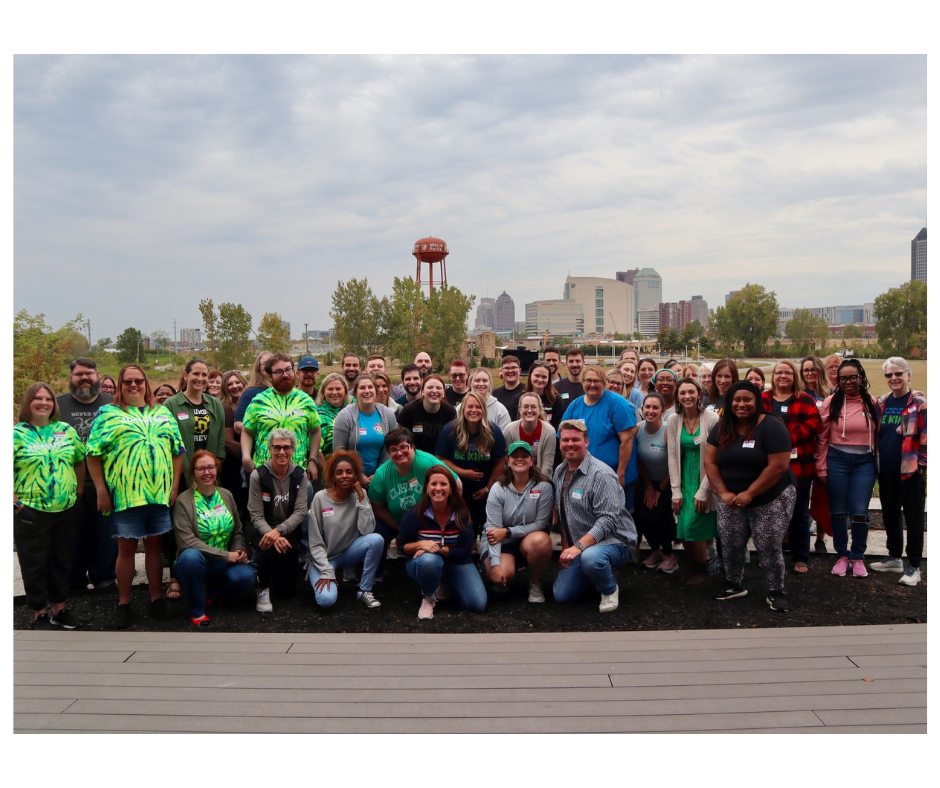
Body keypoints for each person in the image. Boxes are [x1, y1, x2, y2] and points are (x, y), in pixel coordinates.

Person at [85, 365, 185, 629]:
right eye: (127, 381)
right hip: (125, 495)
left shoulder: (162, 412)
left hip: (157, 494)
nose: (133, 385)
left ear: (146, 383)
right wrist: (101, 490)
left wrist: (174, 486)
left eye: (138, 380)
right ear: (120, 384)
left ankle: (155, 599)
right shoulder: (109, 413)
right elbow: (92, 454)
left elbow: (178, 450)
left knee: (154, 547)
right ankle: (124, 603)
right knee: (126, 550)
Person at [706, 381, 797, 611]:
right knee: (730, 542)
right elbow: (709, 462)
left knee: (768, 544)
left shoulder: (772, 426)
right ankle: (734, 584)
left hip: (771, 496)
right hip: (731, 498)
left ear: (757, 401)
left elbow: (778, 466)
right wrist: (723, 492)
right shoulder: (722, 426)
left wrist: (750, 493)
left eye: (747, 399)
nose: (741, 404)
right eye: (736, 400)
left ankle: (776, 590)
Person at [14, 383, 86, 629]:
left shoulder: (65, 430)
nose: (43, 402)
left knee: (62, 560)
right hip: (31, 510)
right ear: (28, 403)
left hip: (65, 509)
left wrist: (77, 493)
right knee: (34, 563)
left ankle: (60, 608)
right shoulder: (16, 434)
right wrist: (16, 504)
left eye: (48, 398)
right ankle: (39, 613)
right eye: (37, 398)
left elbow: (79, 461)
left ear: (54, 404)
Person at [552, 420, 638, 613]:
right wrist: (567, 548)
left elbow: (608, 520)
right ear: (560, 443)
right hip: (581, 546)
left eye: (576, 439)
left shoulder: (601, 475)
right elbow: (564, 513)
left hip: (614, 540)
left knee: (591, 559)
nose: (570, 444)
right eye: (565, 440)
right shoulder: (559, 471)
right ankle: (596, 573)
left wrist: (578, 547)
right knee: (562, 596)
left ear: (587, 442)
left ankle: (609, 588)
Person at [163, 358, 227, 602]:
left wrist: (214, 476)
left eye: (205, 375)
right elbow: (168, 443)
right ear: (186, 375)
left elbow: (219, 442)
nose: (201, 379)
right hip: (181, 475)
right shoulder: (172, 404)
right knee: (178, 528)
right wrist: (178, 482)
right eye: (196, 374)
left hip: (209, 475)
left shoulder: (215, 405)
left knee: (209, 524)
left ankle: (207, 574)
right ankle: (174, 578)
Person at [172, 451, 254, 627]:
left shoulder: (226, 495)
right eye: (200, 469)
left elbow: (237, 530)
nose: (207, 473)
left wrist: (238, 551)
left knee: (246, 576)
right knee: (191, 556)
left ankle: (213, 594)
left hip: (221, 564)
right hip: (194, 564)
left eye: (210, 467)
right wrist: (227, 556)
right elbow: (187, 541)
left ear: (217, 469)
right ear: (193, 472)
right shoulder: (183, 501)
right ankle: (197, 609)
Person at [815, 360, 881, 578]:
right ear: (838, 380)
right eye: (843, 378)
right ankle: (842, 555)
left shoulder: (871, 402)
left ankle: (858, 556)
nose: (848, 382)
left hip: (864, 463)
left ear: (861, 377)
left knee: (860, 511)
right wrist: (821, 467)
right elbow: (822, 437)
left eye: (853, 377)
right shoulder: (831, 402)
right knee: (838, 511)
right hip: (837, 460)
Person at [57, 357, 117, 593]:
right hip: (69, 486)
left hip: (108, 484)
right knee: (73, 537)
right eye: (78, 374)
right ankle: (75, 581)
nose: (84, 378)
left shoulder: (113, 404)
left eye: (89, 373)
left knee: (106, 536)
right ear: (70, 378)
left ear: (98, 375)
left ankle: (104, 577)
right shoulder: (57, 405)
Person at [368, 427, 460, 580]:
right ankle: (375, 574)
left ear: (412, 447)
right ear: (388, 453)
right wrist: (398, 527)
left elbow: (457, 484)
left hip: (428, 521)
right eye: (393, 450)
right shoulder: (381, 474)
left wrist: (448, 511)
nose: (399, 452)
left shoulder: (427, 462)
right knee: (378, 531)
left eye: (404, 447)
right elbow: (377, 505)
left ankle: (443, 571)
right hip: (396, 519)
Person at [398, 466, 487, 619]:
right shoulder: (415, 514)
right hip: (425, 564)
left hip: (457, 562)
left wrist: (437, 548)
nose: (438, 488)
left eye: (443, 484)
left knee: (477, 604)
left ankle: (447, 582)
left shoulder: (461, 514)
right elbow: (401, 546)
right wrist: (420, 545)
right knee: (429, 560)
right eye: (433, 484)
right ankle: (428, 597)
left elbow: (465, 550)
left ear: (451, 488)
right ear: (427, 487)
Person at [871, 357, 927, 586]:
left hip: (910, 471)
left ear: (908, 375)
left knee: (913, 519)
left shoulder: (920, 403)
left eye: (898, 374)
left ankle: (914, 566)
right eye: (889, 375)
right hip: (886, 469)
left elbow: (927, 437)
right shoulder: (882, 403)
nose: (894, 378)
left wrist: (921, 466)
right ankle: (894, 557)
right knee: (890, 514)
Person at [762, 360, 821, 573]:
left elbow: (813, 425)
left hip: (799, 467)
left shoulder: (805, 399)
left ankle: (800, 557)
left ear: (794, 376)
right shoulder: (763, 399)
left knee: (799, 513)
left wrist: (783, 438)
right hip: (767, 466)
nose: (783, 376)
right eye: (779, 372)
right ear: (773, 375)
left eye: (788, 372)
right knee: (769, 514)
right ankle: (769, 555)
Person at [307, 451, 385, 609]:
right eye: (339, 472)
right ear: (333, 476)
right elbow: (315, 542)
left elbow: (367, 531)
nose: (344, 476)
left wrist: (362, 498)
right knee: (326, 601)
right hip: (323, 558)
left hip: (346, 553)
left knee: (376, 539)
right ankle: (323, 576)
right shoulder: (320, 498)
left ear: (356, 475)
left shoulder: (359, 496)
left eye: (349, 472)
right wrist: (327, 571)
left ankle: (365, 590)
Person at [481, 441, 554, 603]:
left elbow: (540, 524)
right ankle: (502, 569)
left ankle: (535, 583)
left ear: (532, 460)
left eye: (524, 456)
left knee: (541, 541)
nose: (519, 459)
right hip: (501, 542)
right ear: (508, 460)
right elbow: (493, 531)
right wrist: (495, 566)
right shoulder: (498, 488)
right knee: (501, 576)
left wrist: (508, 532)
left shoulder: (544, 486)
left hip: (525, 540)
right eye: (515, 456)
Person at [560, 365, 639, 511]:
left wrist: (620, 474)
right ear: (582, 382)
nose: (592, 384)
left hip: (614, 477)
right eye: (588, 380)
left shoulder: (618, 404)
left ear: (604, 383)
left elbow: (627, 439)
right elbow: (564, 438)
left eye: (597, 381)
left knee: (618, 521)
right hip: (585, 477)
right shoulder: (575, 405)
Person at [247, 429, 308, 612]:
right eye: (277, 447)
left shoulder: (300, 475)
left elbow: (300, 511)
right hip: (263, 530)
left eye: (287, 448)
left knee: (286, 592)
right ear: (270, 449)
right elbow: (256, 514)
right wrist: (272, 533)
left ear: (293, 450)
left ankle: (278, 577)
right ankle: (262, 587)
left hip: (287, 530)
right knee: (268, 546)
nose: (282, 452)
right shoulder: (258, 475)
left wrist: (279, 531)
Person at [667, 378, 719, 585]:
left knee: (695, 526)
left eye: (691, 392)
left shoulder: (711, 418)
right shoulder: (673, 419)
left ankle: (703, 568)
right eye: (682, 393)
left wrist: (704, 491)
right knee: (684, 528)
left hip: (706, 478)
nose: (687, 396)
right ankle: (696, 565)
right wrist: (675, 491)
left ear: (699, 393)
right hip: (684, 477)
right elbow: (672, 456)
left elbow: (714, 458)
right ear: (677, 397)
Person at [241, 354, 322, 486]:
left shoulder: (306, 400)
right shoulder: (259, 401)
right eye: (279, 371)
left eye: (288, 369)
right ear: (269, 376)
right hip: (264, 470)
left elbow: (315, 431)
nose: (285, 374)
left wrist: (312, 460)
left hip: (297, 470)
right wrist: (246, 457)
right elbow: (247, 431)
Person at [436, 390, 508, 531]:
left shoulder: (493, 431)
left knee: (485, 521)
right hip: (457, 488)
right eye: (470, 407)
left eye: (478, 407)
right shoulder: (450, 429)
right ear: (463, 409)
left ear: (483, 410)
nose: (474, 410)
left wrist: (488, 488)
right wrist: (463, 472)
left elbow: (501, 461)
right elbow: (440, 459)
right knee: (462, 523)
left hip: (485, 488)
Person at [634, 393, 677, 574]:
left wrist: (660, 488)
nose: (650, 411)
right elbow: (638, 461)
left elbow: (674, 463)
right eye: (647, 407)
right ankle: (656, 551)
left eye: (655, 408)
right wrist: (649, 486)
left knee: (658, 517)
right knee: (641, 517)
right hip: (647, 481)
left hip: (667, 480)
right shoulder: (637, 429)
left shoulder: (668, 431)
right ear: (642, 409)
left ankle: (670, 555)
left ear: (662, 410)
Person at [331, 374, 398, 484]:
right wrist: (357, 475)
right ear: (355, 393)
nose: (367, 391)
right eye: (362, 388)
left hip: (382, 475)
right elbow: (339, 451)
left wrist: (379, 473)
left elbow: (392, 447)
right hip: (351, 477)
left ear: (375, 391)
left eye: (370, 387)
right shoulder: (345, 416)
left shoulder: (388, 414)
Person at [396, 374, 457, 455]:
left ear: (443, 393)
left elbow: (452, 441)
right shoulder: (409, 410)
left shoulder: (450, 412)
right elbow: (401, 439)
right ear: (422, 392)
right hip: (414, 457)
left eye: (438, 388)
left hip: (441, 458)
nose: (434, 391)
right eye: (430, 387)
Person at [502, 392, 558, 477]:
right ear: (519, 409)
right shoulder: (509, 430)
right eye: (525, 406)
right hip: (516, 478)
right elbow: (509, 462)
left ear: (540, 409)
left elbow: (547, 466)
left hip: (541, 478)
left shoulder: (549, 431)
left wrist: (539, 487)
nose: (529, 410)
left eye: (533, 407)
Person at [219, 369, 249, 510]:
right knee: (239, 504)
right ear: (225, 388)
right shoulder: (226, 408)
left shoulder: (247, 406)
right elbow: (228, 442)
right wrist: (250, 454)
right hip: (234, 465)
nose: (235, 386)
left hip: (244, 462)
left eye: (238, 382)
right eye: (230, 384)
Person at [233, 351, 273, 434]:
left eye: (271, 362)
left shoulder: (282, 392)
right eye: (265, 363)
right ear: (258, 368)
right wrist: (263, 429)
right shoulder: (251, 393)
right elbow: (237, 425)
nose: (268, 366)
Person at [314, 373, 351, 458]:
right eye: (330, 389)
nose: (334, 392)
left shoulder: (354, 408)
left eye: (338, 389)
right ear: (323, 392)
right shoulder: (316, 413)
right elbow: (316, 450)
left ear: (345, 391)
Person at [524, 361, 567, 428]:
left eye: (544, 377)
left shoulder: (556, 400)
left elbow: (557, 428)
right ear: (530, 376)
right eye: (537, 376)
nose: (540, 380)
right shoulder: (520, 398)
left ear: (548, 379)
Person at [492, 355, 524, 420]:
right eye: (507, 368)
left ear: (519, 371)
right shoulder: (495, 394)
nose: (510, 371)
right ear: (502, 371)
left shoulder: (527, 391)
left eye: (513, 367)